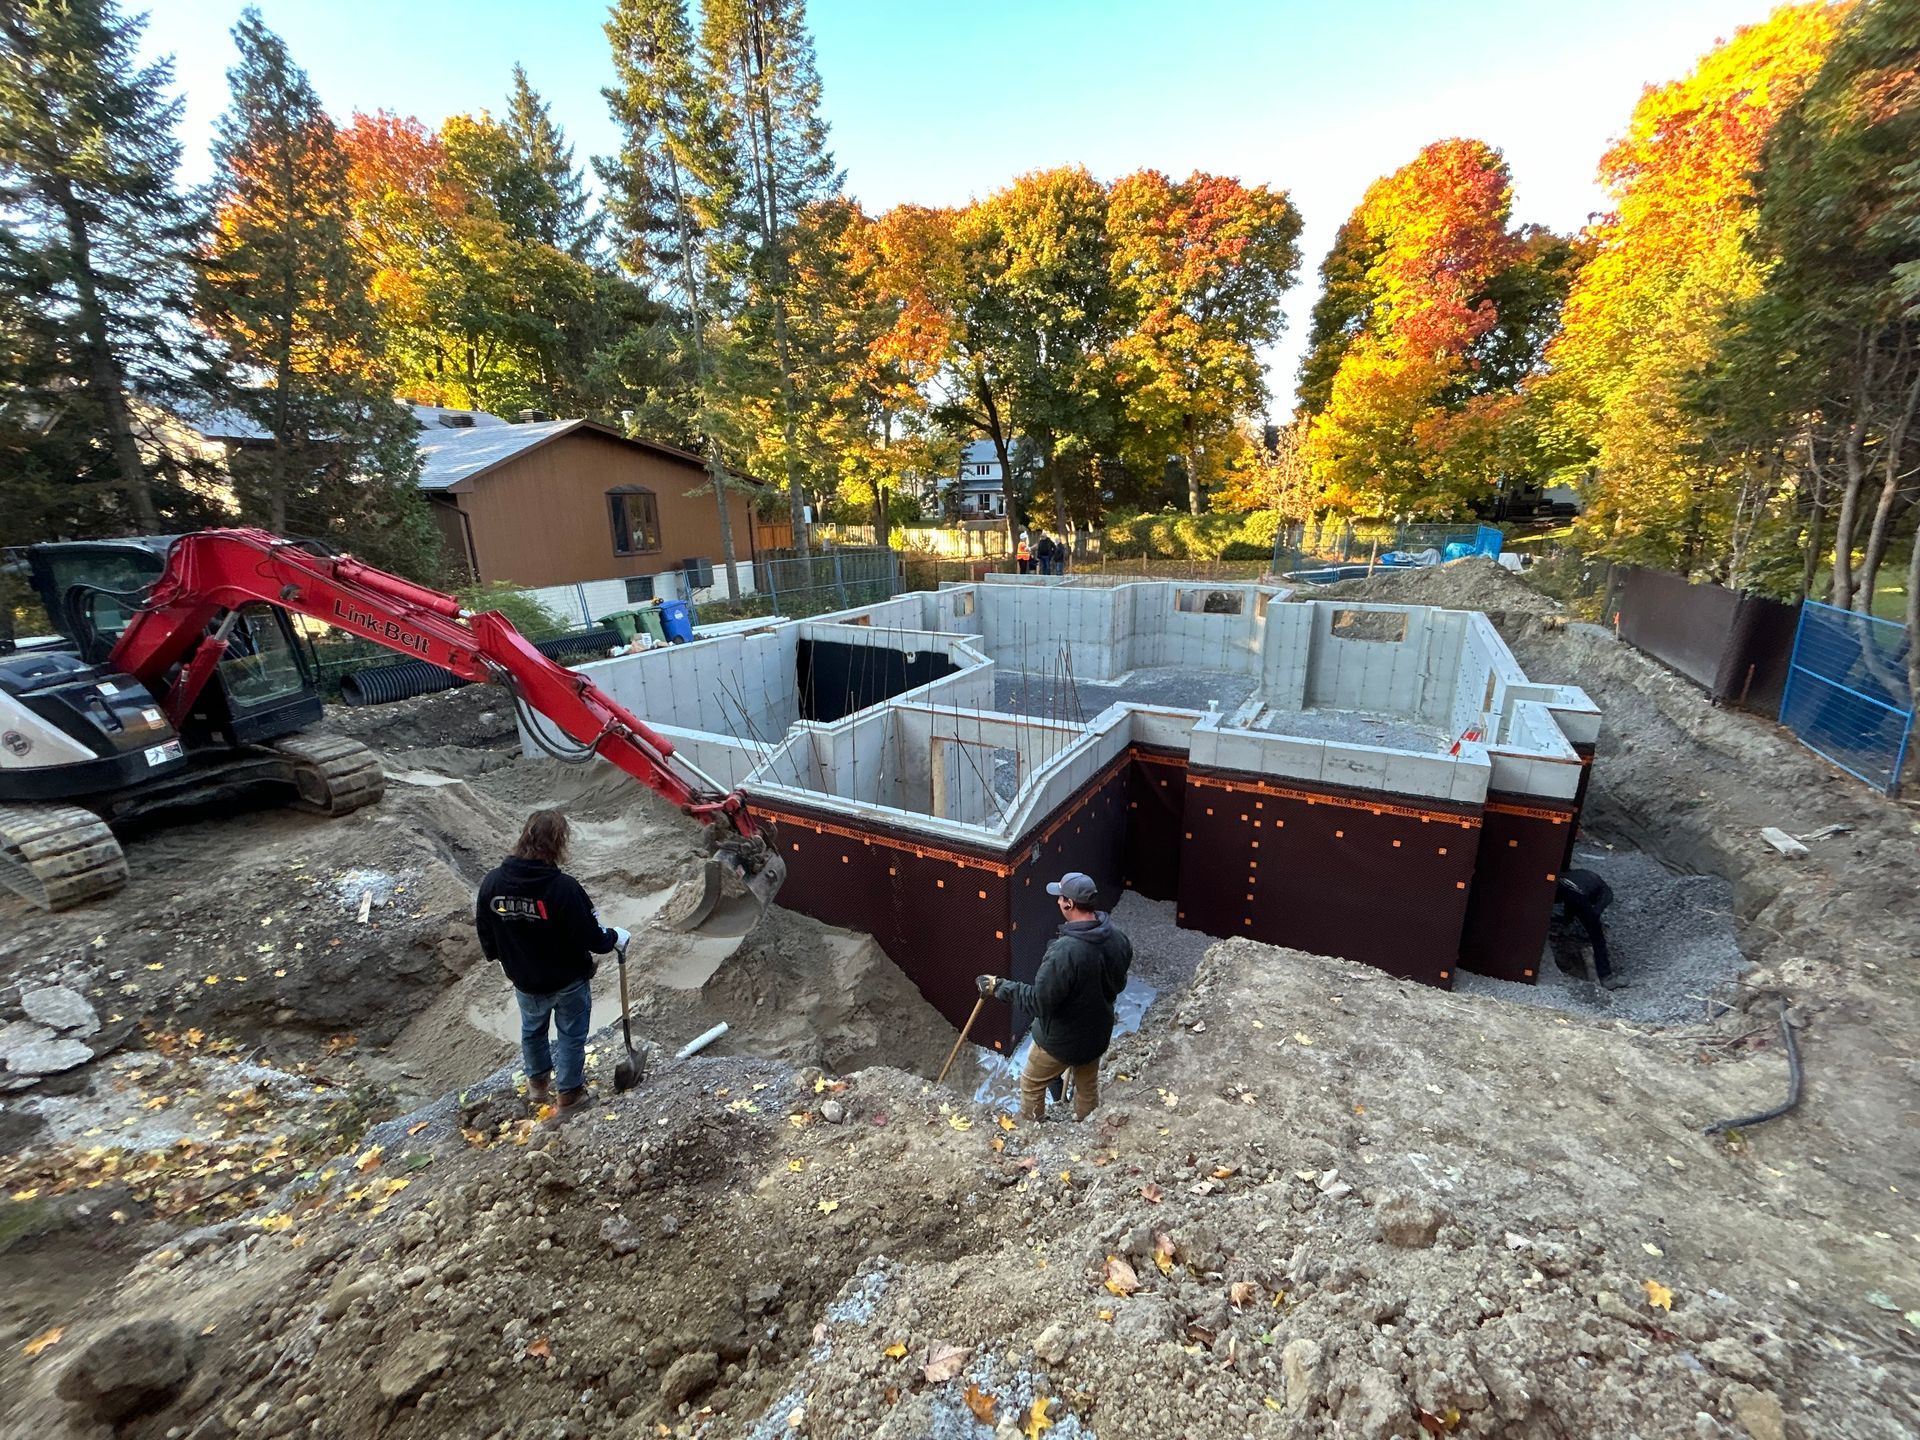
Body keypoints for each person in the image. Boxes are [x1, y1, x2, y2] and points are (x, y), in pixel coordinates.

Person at [476, 809, 630, 1112]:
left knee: (532, 1032)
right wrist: (615, 937)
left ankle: (537, 1087)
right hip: (567, 979)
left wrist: (501, 957)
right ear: (558, 843)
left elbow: (485, 929)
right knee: (571, 1034)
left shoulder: (492, 883)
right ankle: (570, 1095)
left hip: (525, 980)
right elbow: (592, 937)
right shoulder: (563, 888)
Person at [977, 871, 1133, 1121]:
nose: (1058, 902)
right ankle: (1086, 1129)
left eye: (1060, 898)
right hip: (1096, 1035)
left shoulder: (1064, 953)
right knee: (1087, 1087)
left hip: (1061, 1041)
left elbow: (1039, 1002)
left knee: (1031, 1083)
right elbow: (1119, 984)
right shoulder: (1118, 939)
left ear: (1069, 904)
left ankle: (1034, 1130)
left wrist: (999, 987)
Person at [1551, 868, 1622, 989]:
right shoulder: (1607, 894)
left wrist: (1568, 919)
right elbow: (1595, 913)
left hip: (1558, 882)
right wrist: (1590, 926)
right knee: (1598, 938)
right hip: (1576, 891)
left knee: (1572, 902)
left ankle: (1560, 927)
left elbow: (1572, 902)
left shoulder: (1586, 876)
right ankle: (1606, 977)